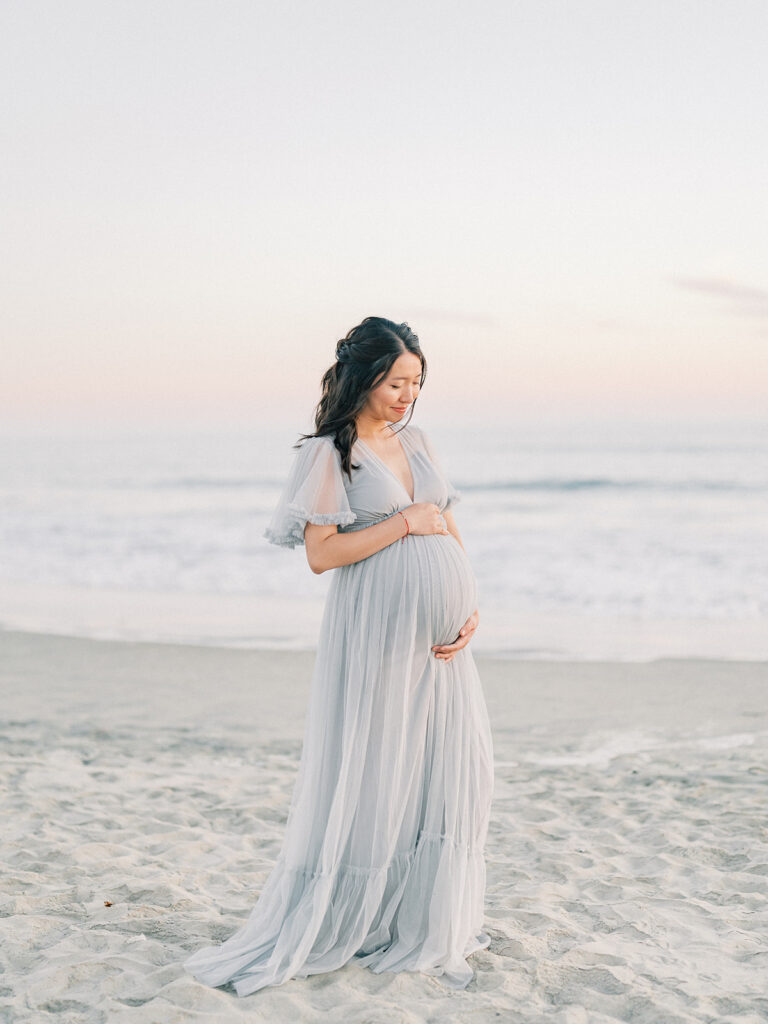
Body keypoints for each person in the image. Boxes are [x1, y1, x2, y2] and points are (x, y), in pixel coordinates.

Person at [183, 316, 494, 995]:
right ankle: (354, 913)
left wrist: (468, 609)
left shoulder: (420, 440)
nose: (406, 395)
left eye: (415, 383)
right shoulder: (330, 452)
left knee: (448, 769)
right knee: (378, 765)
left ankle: (420, 916)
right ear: (363, 379)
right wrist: (403, 522)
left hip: (442, 645)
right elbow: (323, 556)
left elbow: (447, 522)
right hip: (376, 631)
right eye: (394, 383)